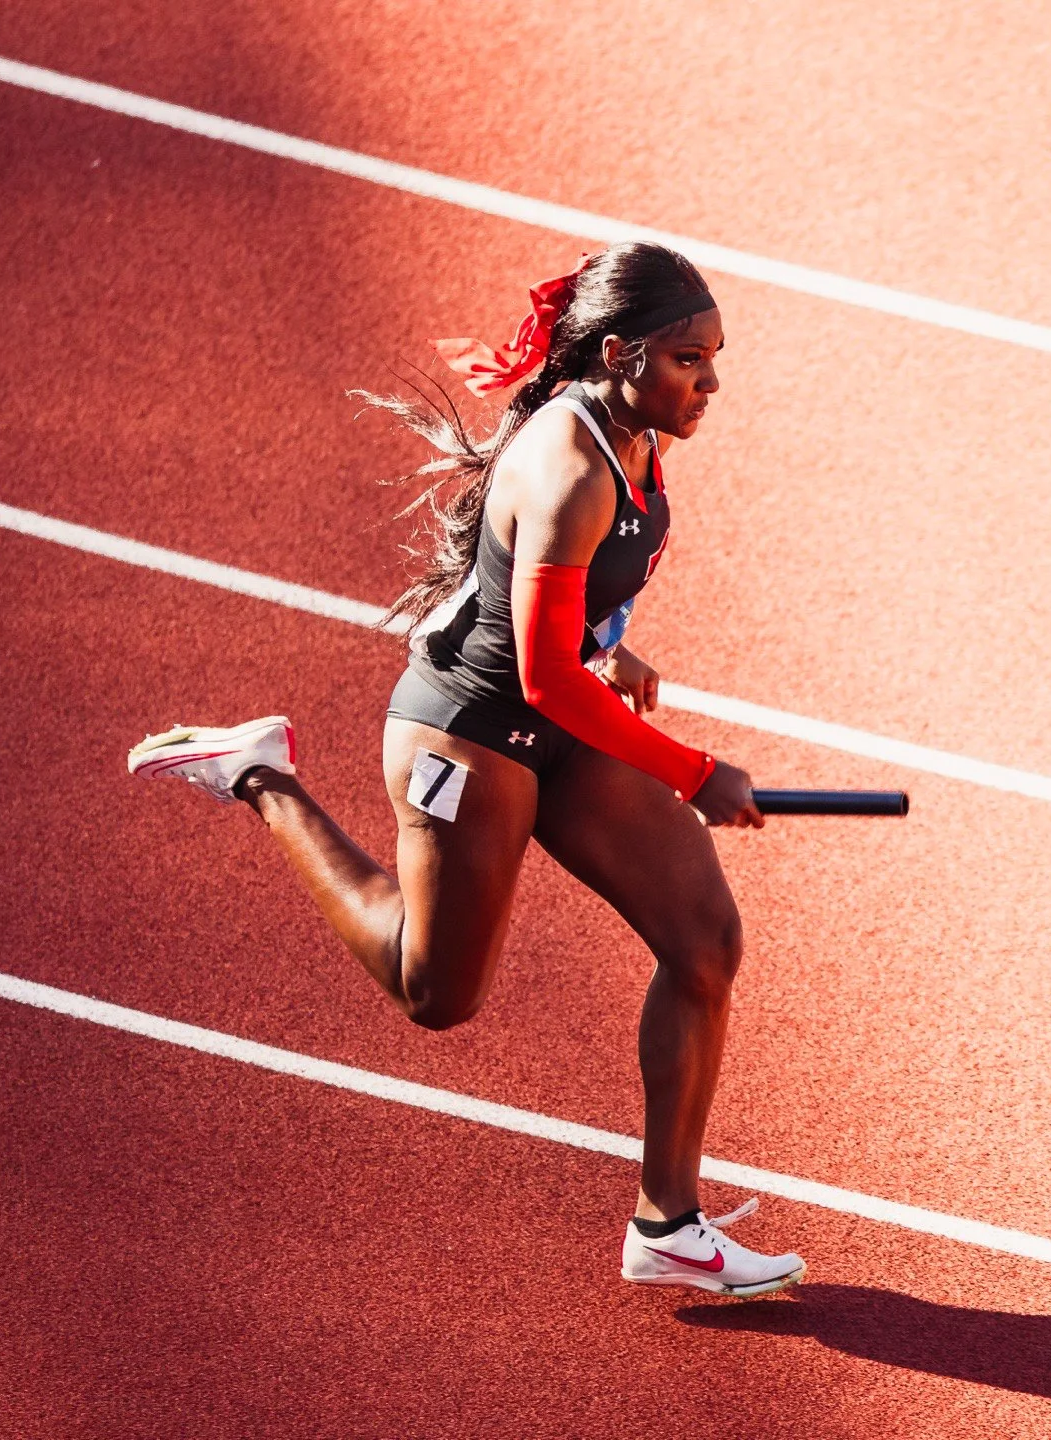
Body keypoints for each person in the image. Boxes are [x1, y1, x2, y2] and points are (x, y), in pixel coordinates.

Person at [126, 242, 803, 1298]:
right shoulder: (572, 464)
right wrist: (692, 768)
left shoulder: (637, 436)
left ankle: (667, 1224)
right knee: (436, 994)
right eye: (689, 361)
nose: (711, 383)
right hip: (472, 735)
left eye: (716, 358)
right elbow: (537, 677)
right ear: (622, 355)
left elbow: (555, 610)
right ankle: (260, 775)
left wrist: (609, 644)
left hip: (560, 718)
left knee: (705, 940)